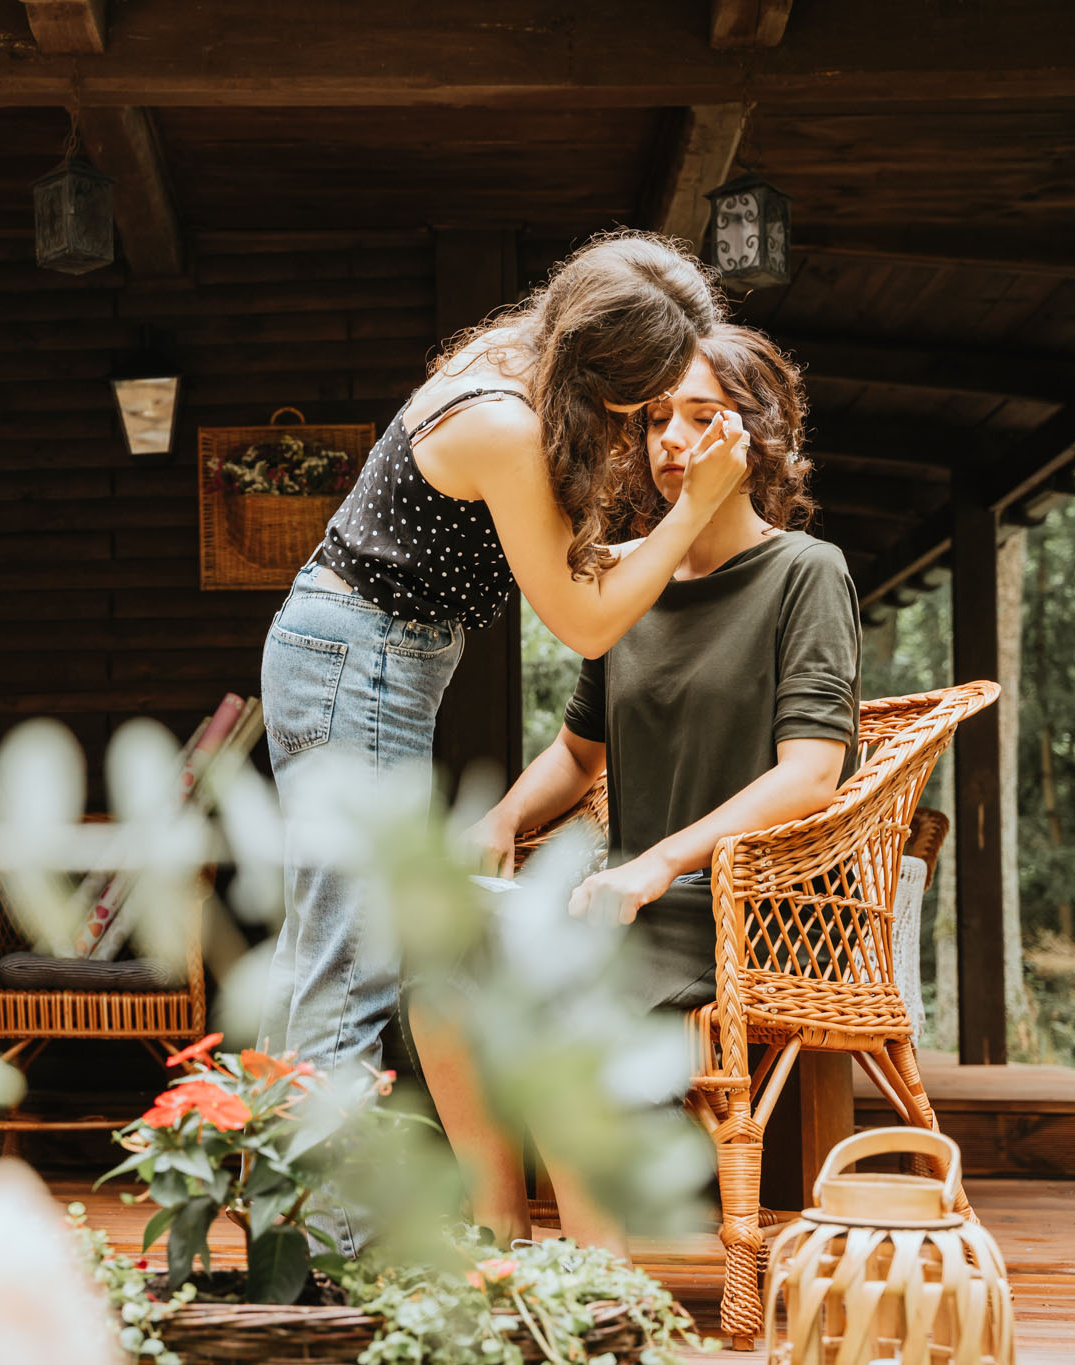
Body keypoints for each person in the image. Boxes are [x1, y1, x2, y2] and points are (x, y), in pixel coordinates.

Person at [256, 231, 746, 1251]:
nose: (652, 419)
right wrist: (690, 509)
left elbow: (561, 560)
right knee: (350, 963)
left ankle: (284, 1229)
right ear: (602, 368)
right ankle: (329, 1259)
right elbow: (580, 621)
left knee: (329, 947)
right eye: (645, 399)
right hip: (362, 663)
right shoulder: (503, 424)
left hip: (364, 657)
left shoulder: (521, 359)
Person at [418, 322, 862, 1250]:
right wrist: (499, 818)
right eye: (655, 416)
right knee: (439, 964)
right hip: (615, 899)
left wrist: (654, 865)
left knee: (552, 978)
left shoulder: (805, 573)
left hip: (748, 906)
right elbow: (581, 755)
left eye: (700, 414)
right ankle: (499, 1239)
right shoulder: (631, 579)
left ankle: (593, 1282)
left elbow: (813, 772)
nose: (670, 439)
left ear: (757, 432)